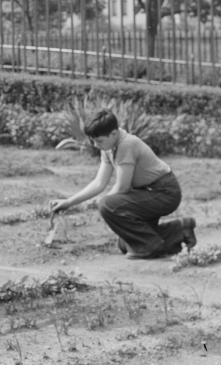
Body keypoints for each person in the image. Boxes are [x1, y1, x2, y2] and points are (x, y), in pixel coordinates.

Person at [49, 109, 196, 259]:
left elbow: (122, 187)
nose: (95, 145)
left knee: (108, 205)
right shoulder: (108, 146)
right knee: (125, 245)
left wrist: (104, 205)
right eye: (93, 140)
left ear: (113, 134)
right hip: (148, 192)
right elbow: (99, 183)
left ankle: (152, 246)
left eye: (98, 140)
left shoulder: (126, 144)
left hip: (165, 193)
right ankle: (181, 229)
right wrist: (68, 202)